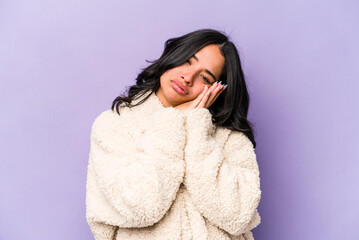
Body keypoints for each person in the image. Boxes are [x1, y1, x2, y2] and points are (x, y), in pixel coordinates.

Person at [86, 28, 261, 240]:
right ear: (173, 55)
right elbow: (141, 206)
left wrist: (196, 128)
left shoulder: (230, 139)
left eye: (205, 77)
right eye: (187, 61)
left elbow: (238, 216)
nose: (187, 77)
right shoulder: (114, 125)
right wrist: (172, 121)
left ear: (218, 89)